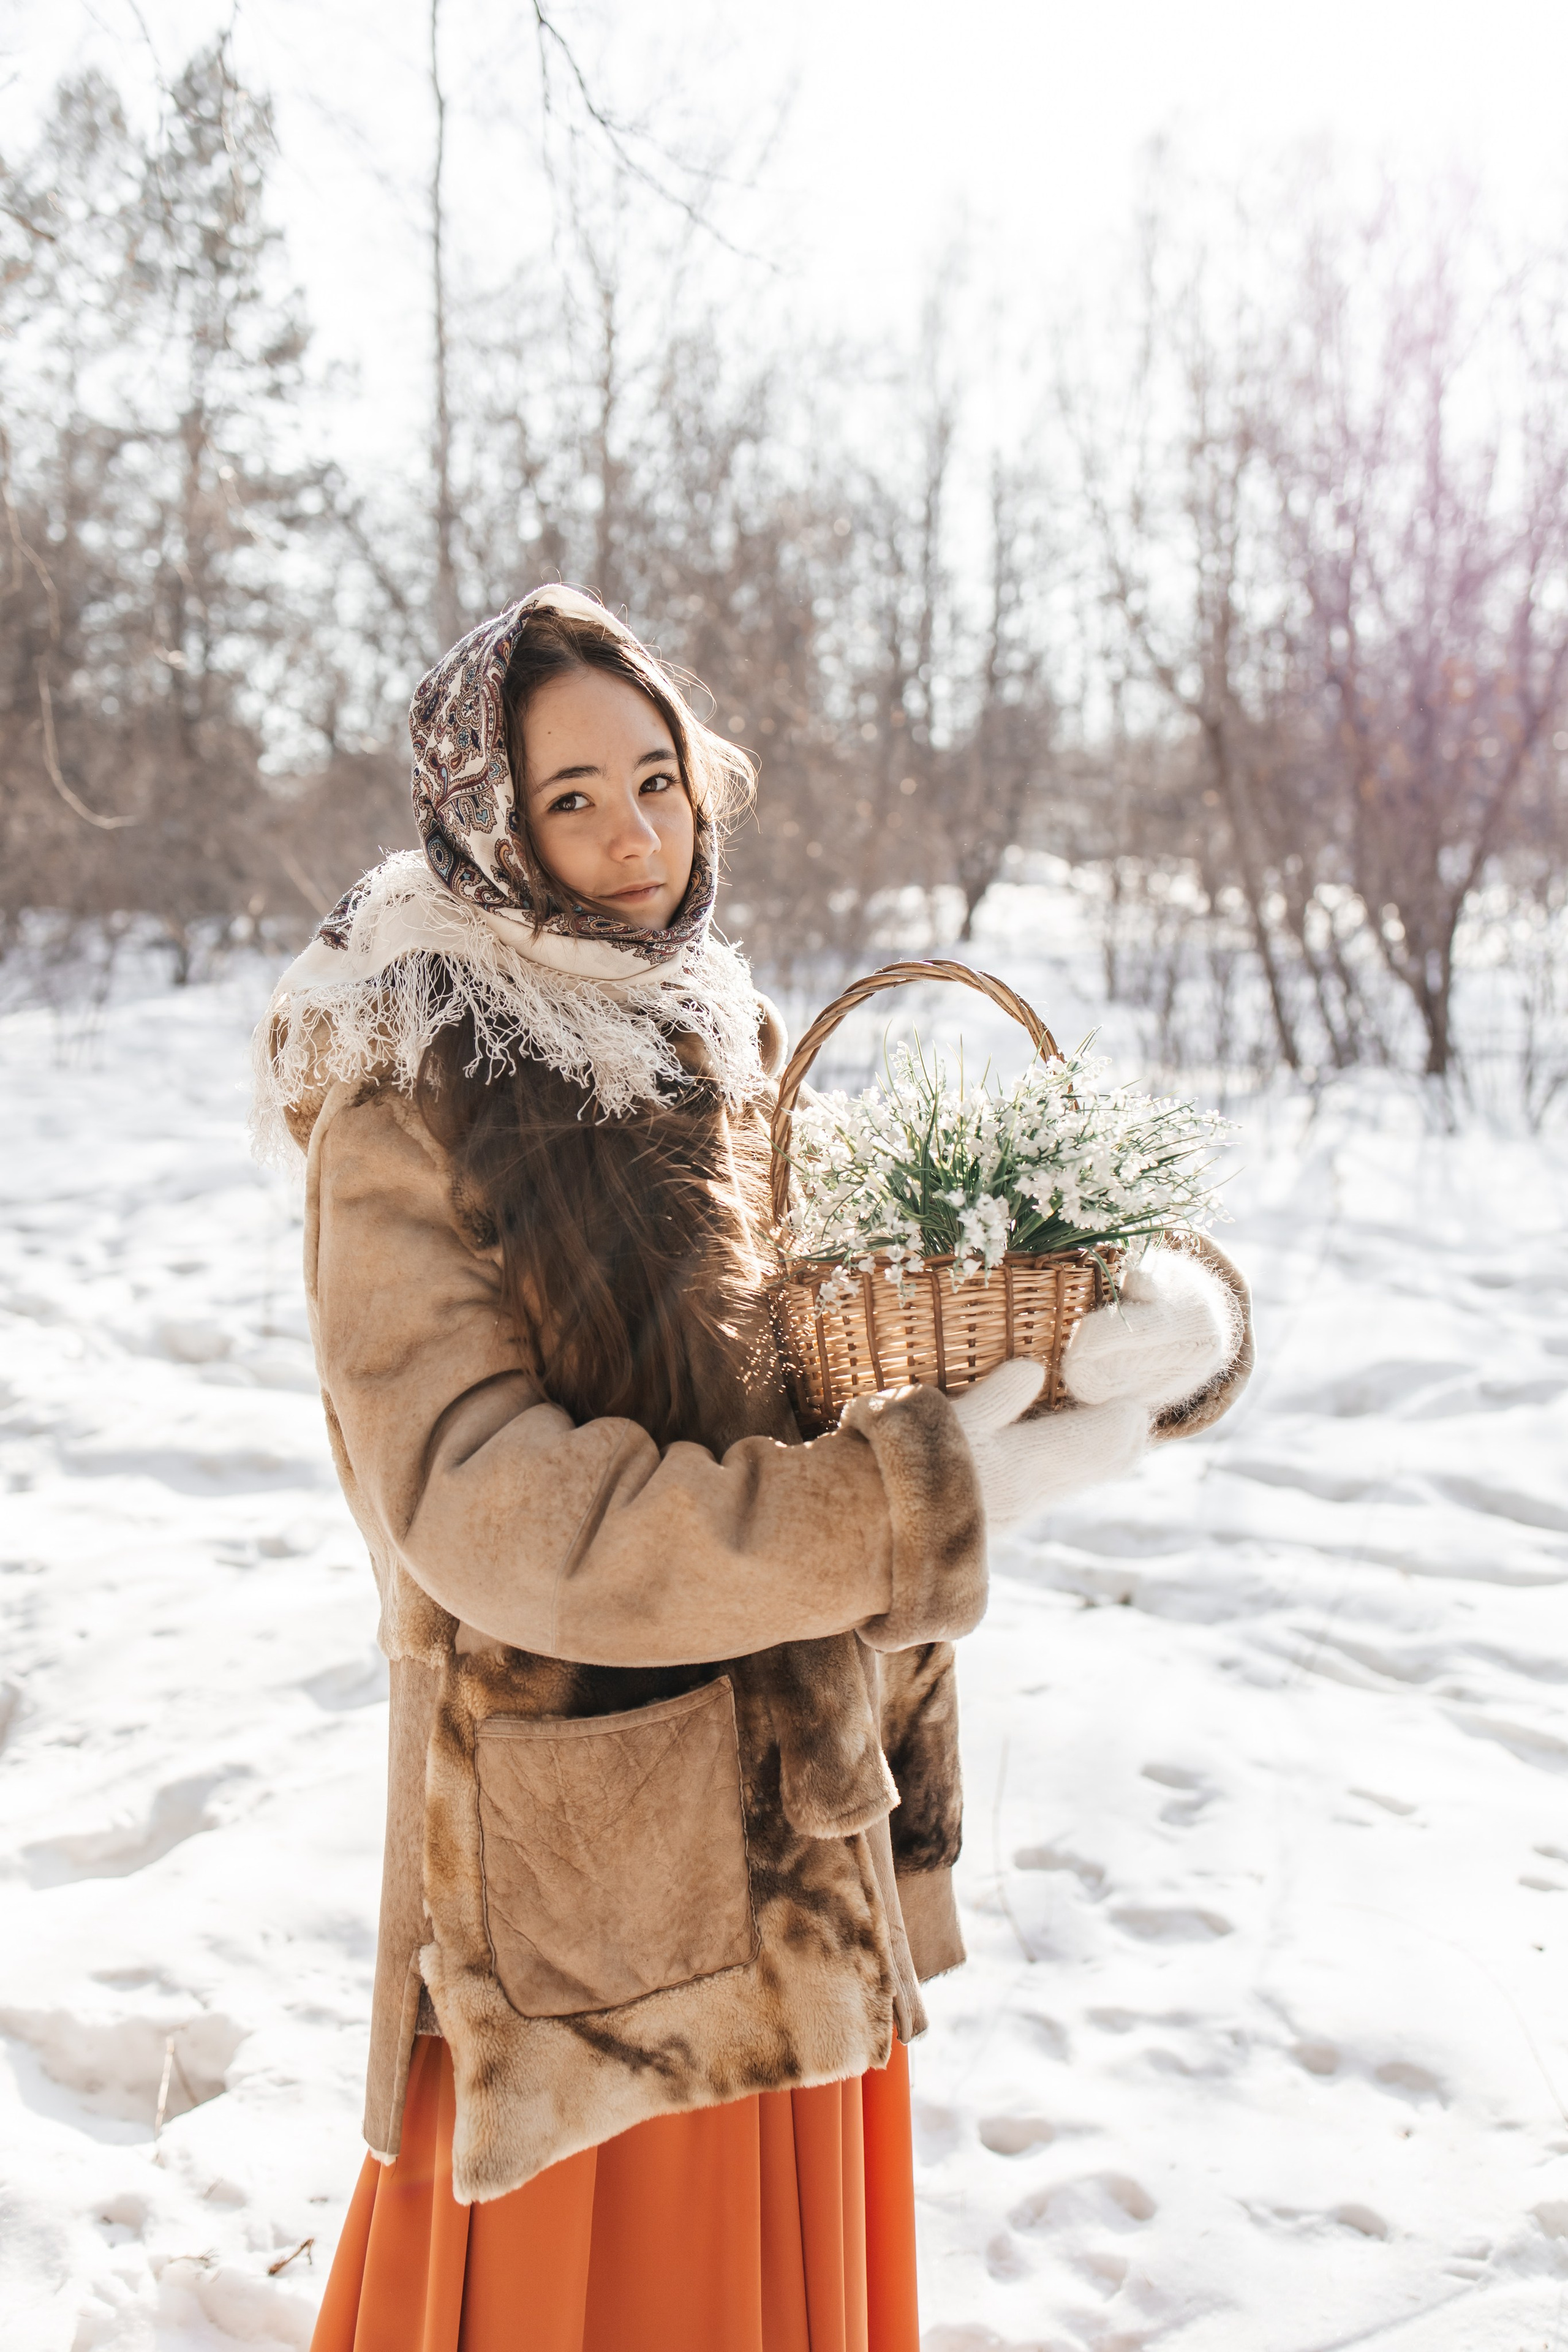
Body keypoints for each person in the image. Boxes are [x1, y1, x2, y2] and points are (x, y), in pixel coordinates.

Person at [253, 585, 1252, 2352]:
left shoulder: (718, 1036)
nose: (637, 835)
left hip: (796, 1803)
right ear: (490, 823)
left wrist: (1144, 1340)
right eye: (572, 797)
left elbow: (872, 1319)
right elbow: (486, 1507)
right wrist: (889, 1511)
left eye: (658, 777)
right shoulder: (413, 1087)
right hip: (598, 1864)